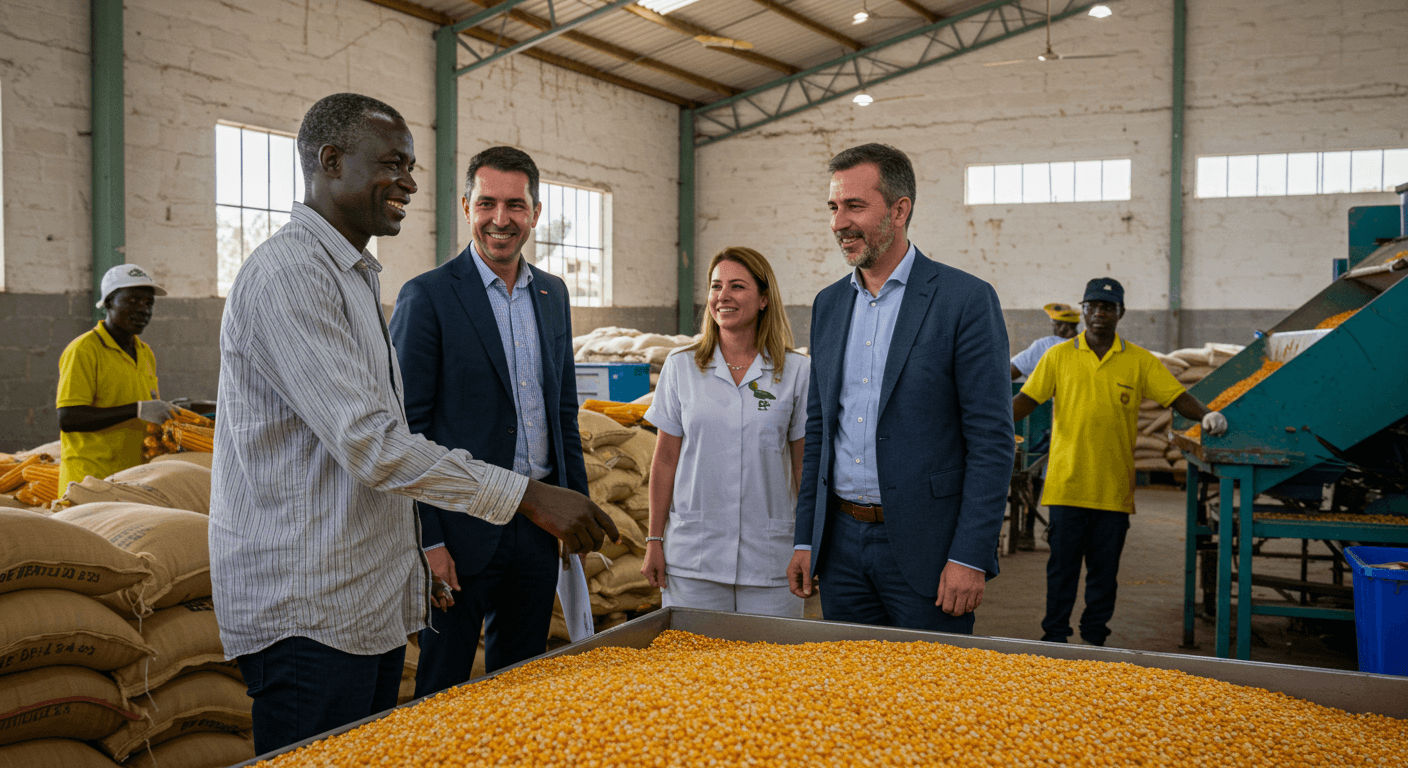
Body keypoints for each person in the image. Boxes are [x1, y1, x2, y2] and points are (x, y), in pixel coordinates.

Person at [209, 94, 617, 756]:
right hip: (308, 610)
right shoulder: (291, 276)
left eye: (413, 166)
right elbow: (375, 446)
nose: (408, 182)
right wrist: (523, 497)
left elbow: (387, 434)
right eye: (393, 164)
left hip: (359, 602)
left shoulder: (353, 276)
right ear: (331, 162)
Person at [786, 144, 1013, 633]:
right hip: (841, 549)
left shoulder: (964, 300)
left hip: (928, 550)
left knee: (932, 699)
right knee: (855, 700)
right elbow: (820, 430)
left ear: (899, 209)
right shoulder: (829, 306)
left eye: (854, 206)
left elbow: (991, 443)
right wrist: (807, 539)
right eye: (833, 207)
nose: (838, 223)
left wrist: (970, 555)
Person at [388, 146, 590, 695]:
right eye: (487, 204)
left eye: (515, 206)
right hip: (461, 528)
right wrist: (427, 540)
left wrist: (576, 505)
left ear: (536, 212)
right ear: (466, 205)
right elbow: (408, 430)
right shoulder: (427, 297)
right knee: (445, 683)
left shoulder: (552, 294)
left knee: (522, 679)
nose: (501, 220)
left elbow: (563, 410)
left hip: (539, 523)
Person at [1012, 277, 1227, 647]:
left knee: (1104, 574)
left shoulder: (1139, 361)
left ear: (1120, 313)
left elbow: (1176, 397)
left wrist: (1208, 415)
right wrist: (985, 422)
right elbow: (1027, 401)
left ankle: (1095, 638)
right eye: (1092, 306)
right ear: (1083, 311)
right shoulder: (1057, 356)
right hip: (1066, 486)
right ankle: (1054, 638)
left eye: (1108, 307)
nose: (1099, 313)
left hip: (1113, 491)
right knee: (1061, 571)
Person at [641, 247, 809, 617]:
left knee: (772, 672)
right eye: (716, 286)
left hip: (770, 560)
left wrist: (807, 544)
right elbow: (665, 461)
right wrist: (654, 540)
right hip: (693, 558)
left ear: (764, 299)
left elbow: (803, 468)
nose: (723, 296)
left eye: (737, 286)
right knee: (693, 670)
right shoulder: (681, 366)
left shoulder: (796, 371)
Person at [56, 264, 177, 489]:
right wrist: (138, 409)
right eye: (132, 301)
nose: (143, 309)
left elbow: (143, 408)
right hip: (90, 481)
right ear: (109, 302)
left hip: (132, 479)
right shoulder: (84, 349)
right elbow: (69, 418)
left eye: (148, 303)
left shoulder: (145, 352)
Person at [1011, 303, 1080, 380]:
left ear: (1062, 326)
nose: (1053, 327)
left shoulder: (1046, 345)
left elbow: (1011, 370)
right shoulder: (1085, 343)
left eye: (1054, 323)